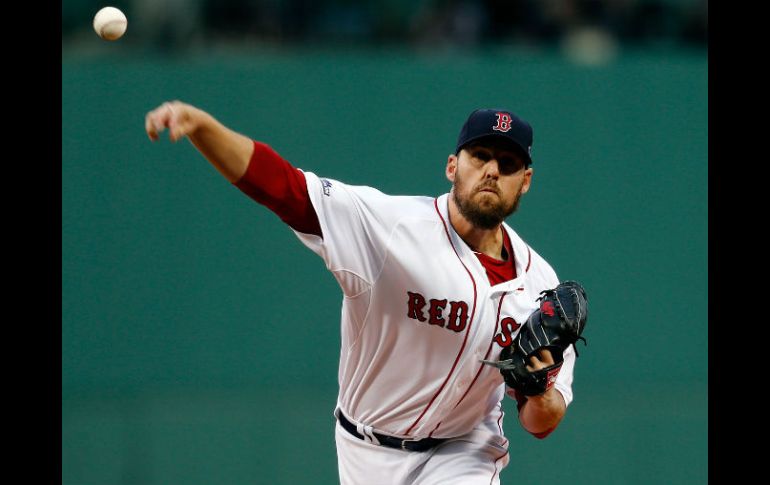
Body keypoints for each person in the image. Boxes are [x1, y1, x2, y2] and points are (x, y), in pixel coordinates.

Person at [144, 102, 578, 484]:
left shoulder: (540, 286)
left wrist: (540, 388)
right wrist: (203, 127)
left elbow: (541, 423)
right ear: (452, 166)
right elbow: (283, 188)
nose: (492, 171)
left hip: (463, 451)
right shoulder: (391, 227)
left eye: (508, 163)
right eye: (480, 156)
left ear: (525, 181)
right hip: (365, 448)